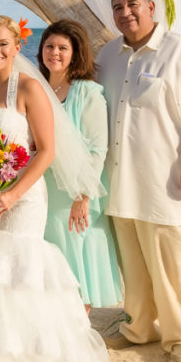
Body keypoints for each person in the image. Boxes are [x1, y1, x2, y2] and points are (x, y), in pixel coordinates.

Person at [0, 15, 109, 362]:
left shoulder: (28, 87)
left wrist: (13, 194)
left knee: (16, 274)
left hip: (21, 200)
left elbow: (46, 150)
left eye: (3, 43)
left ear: (17, 45)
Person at [96, 0, 181, 362]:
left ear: (152, 8)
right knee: (133, 265)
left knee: (173, 261)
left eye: (133, 4)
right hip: (118, 182)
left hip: (164, 180)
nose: (125, 13)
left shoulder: (179, 53)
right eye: (118, 7)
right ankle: (139, 328)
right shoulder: (108, 54)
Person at [36, 19, 123, 311]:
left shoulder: (88, 92)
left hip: (74, 191)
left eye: (63, 47)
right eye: (49, 46)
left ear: (75, 53)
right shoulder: (36, 89)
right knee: (51, 257)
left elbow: (98, 149)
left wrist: (84, 196)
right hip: (42, 187)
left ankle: (80, 330)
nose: (55, 53)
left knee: (75, 258)